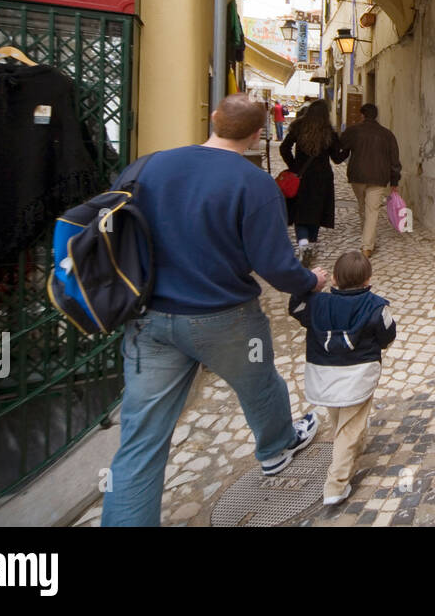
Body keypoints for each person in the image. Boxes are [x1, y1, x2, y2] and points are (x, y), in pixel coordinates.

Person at [101, 94, 329, 527]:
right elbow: (275, 264)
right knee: (259, 384)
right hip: (224, 316)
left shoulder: (146, 166)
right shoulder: (253, 183)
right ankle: (277, 448)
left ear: (212, 121)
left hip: (149, 317)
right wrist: (310, 282)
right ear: (258, 134)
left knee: (141, 439)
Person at [288, 249, 396, 506]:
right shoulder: (376, 306)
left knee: (340, 419)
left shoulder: (316, 303)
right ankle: (336, 485)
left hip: (324, 376)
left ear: (334, 279)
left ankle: (353, 449)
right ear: (368, 280)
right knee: (349, 428)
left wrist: (310, 284)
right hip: (358, 377)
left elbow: (295, 307)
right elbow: (388, 335)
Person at [281, 101, 344, 268]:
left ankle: (303, 243)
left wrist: (294, 166)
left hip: (302, 176)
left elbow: (284, 148)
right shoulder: (328, 131)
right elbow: (337, 159)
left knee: (300, 209)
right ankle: (312, 243)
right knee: (317, 209)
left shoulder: (299, 126)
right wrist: (348, 150)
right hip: (322, 177)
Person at [336, 104, 403, 259]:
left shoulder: (353, 131)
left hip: (357, 176)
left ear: (362, 115)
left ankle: (367, 240)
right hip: (379, 177)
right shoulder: (387, 135)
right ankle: (367, 246)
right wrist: (394, 181)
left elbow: (341, 148)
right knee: (372, 210)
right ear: (376, 116)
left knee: (362, 206)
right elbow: (394, 161)